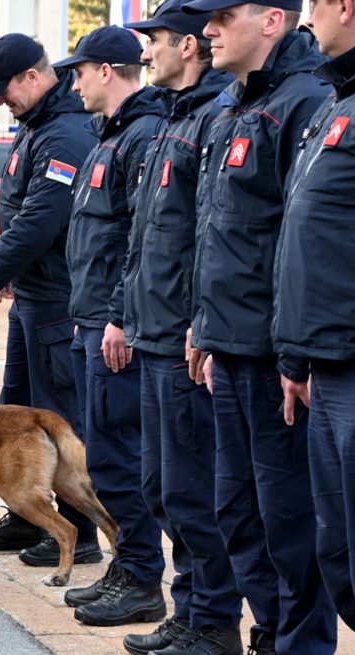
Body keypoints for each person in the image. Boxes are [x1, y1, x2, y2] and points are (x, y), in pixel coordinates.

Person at [181, 0, 336, 652]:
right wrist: (203, 324)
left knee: (290, 522)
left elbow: (302, 243)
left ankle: (299, 643)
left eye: (222, 16)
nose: (206, 30)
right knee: (237, 513)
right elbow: (214, 232)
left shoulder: (305, 102)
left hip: (276, 359)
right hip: (227, 346)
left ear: (273, 20)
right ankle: (270, 634)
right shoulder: (226, 108)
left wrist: (291, 354)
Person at [117, 2, 244, 652]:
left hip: (182, 344)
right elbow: (146, 240)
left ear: (189, 45)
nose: (147, 53)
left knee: (193, 492)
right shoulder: (175, 121)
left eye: (157, 41)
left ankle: (213, 620)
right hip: (153, 335)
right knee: (160, 488)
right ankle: (189, 609)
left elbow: (209, 238)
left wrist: (200, 325)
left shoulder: (210, 119)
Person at [0, 34, 101, 568]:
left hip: (58, 304)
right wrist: (11, 276)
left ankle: (78, 532)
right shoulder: (35, 126)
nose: (0, 101)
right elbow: (17, 214)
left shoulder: (63, 135)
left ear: (33, 79)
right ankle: (26, 511)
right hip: (32, 298)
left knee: (57, 419)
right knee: (13, 413)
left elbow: (40, 222)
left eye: (5, 90)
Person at [53, 25, 167, 628]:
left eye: (80, 70)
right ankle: (131, 564)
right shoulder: (109, 136)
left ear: (106, 71)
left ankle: (144, 577)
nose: (73, 82)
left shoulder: (142, 135)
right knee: (105, 456)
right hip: (88, 318)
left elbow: (138, 238)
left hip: (112, 327)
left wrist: (119, 316)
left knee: (122, 457)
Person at [275, 0, 355, 634]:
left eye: (316, 7)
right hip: (322, 364)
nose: (308, 21)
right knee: (338, 553)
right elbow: (310, 245)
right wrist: (297, 357)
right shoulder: (335, 101)